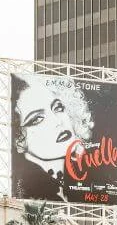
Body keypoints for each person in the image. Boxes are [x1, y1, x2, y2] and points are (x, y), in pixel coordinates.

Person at [9, 72, 95, 202]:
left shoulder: (83, 180)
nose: (57, 121)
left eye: (58, 108)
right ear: (18, 138)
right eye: (37, 119)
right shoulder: (28, 194)